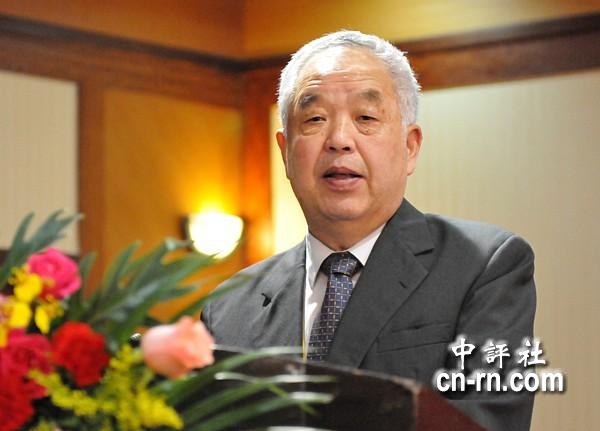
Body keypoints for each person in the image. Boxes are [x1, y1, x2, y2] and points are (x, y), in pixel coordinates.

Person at [202, 30, 536, 431]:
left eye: (366, 118)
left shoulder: (484, 266)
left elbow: (486, 422)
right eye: (315, 119)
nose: (339, 140)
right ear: (285, 151)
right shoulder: (229, 306)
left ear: (410, 147)